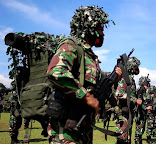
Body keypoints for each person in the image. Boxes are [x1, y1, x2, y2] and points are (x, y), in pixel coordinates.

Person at [47, 5, 122, 144]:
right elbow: (56, 72)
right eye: (100, 29)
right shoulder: (71, 45)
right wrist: (86, 96)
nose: (103, 34)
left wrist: (114, 77)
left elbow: (94, 84)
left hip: (83, 126)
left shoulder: (91, 56)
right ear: (89, 28)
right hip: (67, 127)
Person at [115, 57, 141, 144]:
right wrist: (135, 100)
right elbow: (119, 94)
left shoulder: (130, 78)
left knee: (127, 138)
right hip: (123, 113)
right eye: (135, 67)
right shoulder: (124, 78)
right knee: (122, 138)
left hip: (128, 113)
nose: (137, 69)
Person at [134, 76, 150, 144]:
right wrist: (146, 108)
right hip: (139, 112)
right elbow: (139, 103)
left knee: (141, 128)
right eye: (147, 84)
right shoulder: (141, 90)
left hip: (142, 112)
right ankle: (137, 141)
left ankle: (139, 140)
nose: (148, 86)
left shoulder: (143, 91)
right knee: (139, 128)